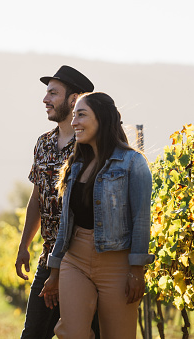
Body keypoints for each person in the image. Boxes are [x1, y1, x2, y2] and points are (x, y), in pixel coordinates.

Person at [41, 92, 155, 339]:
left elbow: (141, 221)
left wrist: (136, 270)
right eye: (73, 116)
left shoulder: (133, 163)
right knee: (71, 333)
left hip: (117, 263)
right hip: (76, 259)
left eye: (81, 115)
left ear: (101, 119)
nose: (74, 123)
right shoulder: (77, 164)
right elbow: (66, 222)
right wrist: (55, 270)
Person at [15, 65, 99, 339]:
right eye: (46, 93)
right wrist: (24, 245)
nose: (45, 99)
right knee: (33, 334)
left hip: (86, 261)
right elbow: (37, 199)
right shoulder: (42, 143)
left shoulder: (90, 146)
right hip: (49, 257)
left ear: (73, 100)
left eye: (53, 93)